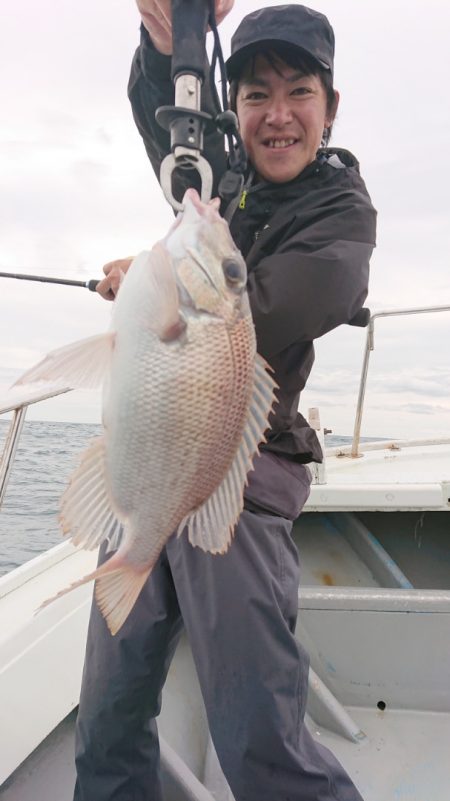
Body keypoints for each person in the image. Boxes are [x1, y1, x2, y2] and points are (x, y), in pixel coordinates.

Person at [73, 3, 376, 800]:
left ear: (330, 107)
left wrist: (158, 282)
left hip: (247, 472)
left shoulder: (342, 212)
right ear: (234, 107)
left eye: (299, 91)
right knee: (106, 711)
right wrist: (165, 43)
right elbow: (172, 131)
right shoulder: (224, 180)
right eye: (254, 96)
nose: (277, 115)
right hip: (153, 463)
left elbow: (249, 313)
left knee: (257, 729)